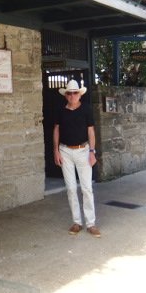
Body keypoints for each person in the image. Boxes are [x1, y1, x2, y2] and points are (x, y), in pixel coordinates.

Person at [53, 79, 100, 237]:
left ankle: (91, 223)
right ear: (66, 95)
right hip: (65, 151)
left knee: (87, 188)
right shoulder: (60, 110)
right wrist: (56, 150)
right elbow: (56, 130)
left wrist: (92, 151)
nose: (72, 95)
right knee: (71, 188)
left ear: (79, 94)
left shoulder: (86, 109)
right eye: (69, 93)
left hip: (83, 151)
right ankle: (77, 222)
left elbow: (91, 131)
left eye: (75, 93)